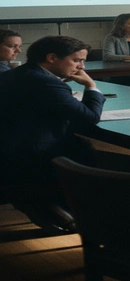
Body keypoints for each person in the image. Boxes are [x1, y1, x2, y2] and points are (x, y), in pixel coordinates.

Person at [0, 36, 106, 231]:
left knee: (83, 147)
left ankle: (49, 207)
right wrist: (91, 86)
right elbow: (89, 118)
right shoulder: (45, 83)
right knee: (88, 153)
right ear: (51, 58)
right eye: (76, 60)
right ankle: (88, 216)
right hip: (27, 156)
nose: (81, 67)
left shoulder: (17, 74)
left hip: (10, 147)